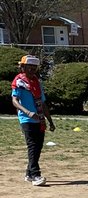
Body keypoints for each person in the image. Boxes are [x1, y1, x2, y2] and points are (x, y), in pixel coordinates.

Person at [12, 55, 53, 187]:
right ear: (23, 67)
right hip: (26, 119)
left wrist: (50, 120)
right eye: (29, 67)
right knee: (32, 146)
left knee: (38, 147)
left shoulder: (37, 83)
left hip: (39, 119)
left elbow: (43, 103)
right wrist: (28, 112)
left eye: (34, 68)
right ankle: (36, 175)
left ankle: (29, 173)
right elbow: (15, 101)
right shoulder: (19, 82)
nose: (32, 70)